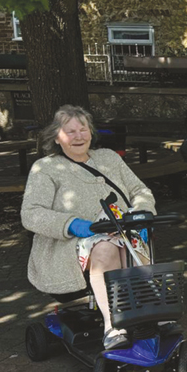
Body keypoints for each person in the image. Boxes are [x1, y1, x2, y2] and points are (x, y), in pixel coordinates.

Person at [22, 105, 157, 350]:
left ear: (91, 133)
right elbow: (31, 214)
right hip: (73, 240)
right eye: (70, 131)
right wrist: (71, 224)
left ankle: (143, 315)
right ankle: (113, 326)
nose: (78, 136)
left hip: (123, 230)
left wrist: (140, 215)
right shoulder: (46, 168)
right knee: (105, 249)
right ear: (56, 137)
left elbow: (140, 191)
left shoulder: (108, 158)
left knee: (134, 249)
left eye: (83, 129)